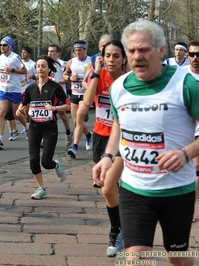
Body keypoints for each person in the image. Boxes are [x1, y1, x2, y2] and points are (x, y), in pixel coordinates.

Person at [93, 20, 199, 265]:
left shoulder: (186, 85)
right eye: (131, 51)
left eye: (144, 50)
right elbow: (119, 125)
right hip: (134, 189)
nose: (136, 56)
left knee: (178, 259)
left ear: (161, 50)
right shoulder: (119, 87)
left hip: (177, 191)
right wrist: (108, 157)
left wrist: (185, 153)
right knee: (135, 257)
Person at [83, 40, 126, 257]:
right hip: (101, 137)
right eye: (107, 55)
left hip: (125, 140)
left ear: (124, 58)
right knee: (108, 189)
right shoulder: (99, 77)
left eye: (116, 56)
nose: (111, 60)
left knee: (111, 187)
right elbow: (88, 100)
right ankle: (119, 227)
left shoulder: (131, 80)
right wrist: (96, 73)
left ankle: (117, 230)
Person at [16, 55, 68, 200]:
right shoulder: (30, 88)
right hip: (34, 126)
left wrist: (54, 108)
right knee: (33, 159)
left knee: (46, 162)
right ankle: (41, 188)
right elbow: (24, 103)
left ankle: (56, 165)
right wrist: (20, 109)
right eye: (38, 66)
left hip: (50, 127)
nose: (40, 68)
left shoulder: (55, 87)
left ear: (49, 68)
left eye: (44, 66)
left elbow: (68, 105)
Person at [0, 36, 28, 149]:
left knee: (17, 113)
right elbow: (3, 71)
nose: (2, 47)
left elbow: (24, 71)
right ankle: (0, 138)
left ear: (10, 46)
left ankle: (27, 127)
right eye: (1, 45)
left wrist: (11, 70)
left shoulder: (15, 57)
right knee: (1, 112)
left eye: (4, 45)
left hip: (14, 89)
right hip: (3, 88)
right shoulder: (1, 57)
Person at [63, 41, 92, 158]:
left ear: (85, 50)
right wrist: (70, 78)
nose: (78, 52)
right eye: (76, 50)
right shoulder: (71, 62)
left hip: (86, 94)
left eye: (80, 50)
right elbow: (65, 75)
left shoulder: (90, 61)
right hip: (75, 93)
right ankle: (89, 135)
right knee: (76, 121)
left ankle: (74, 147)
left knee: (79, 119)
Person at [182, 40, 199, 222]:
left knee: (196, 166)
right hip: (183, 128)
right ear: (187, 56)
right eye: (192, 54)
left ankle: (190, 207)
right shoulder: (180, 76)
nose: (196, 58)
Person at [47, 44, 73, 146]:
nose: (50, 53)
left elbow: (67, 78)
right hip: (48, 92)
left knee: (62, 114)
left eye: (53, 51)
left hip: (59, 92)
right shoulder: (45, 63)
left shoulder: (62, 64)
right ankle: (46, 137)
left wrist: (57, 82)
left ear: (58, 53)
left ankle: (68, 133)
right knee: (47, 115)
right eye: (49, 51)